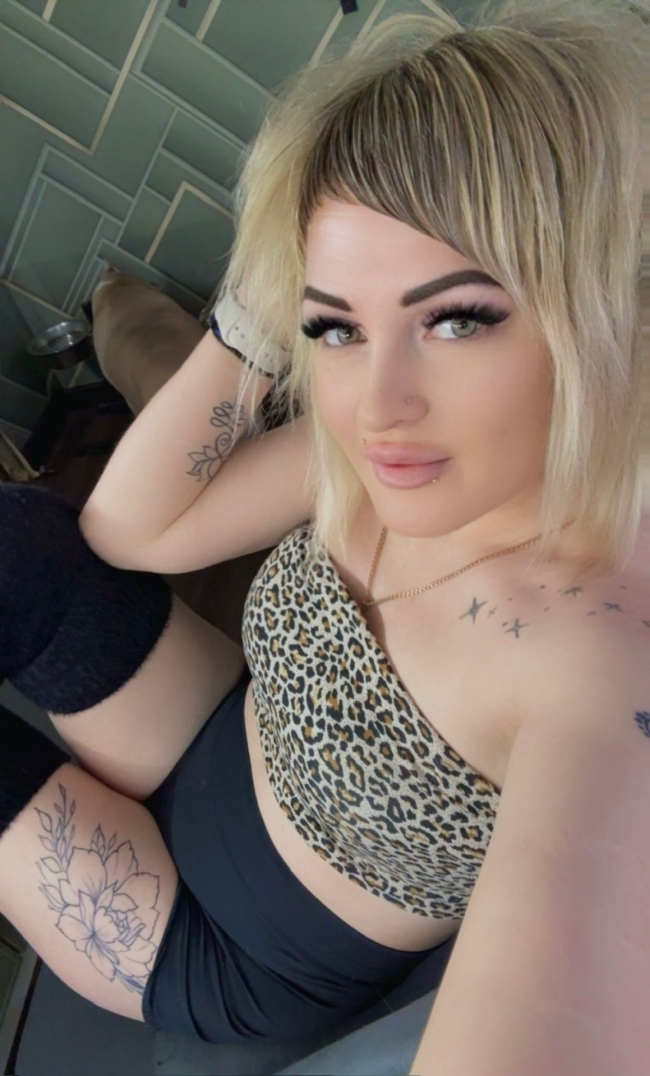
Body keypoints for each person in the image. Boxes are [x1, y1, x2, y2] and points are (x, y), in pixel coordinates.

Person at [1, 0, 649, 1071]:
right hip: (203, 731)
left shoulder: (596, 660)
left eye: (455, 317)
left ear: (599, 307)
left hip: (226, 949)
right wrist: (265, 307)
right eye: (337, 327)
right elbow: (128, 531)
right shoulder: (403, 448)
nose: (376, 405)